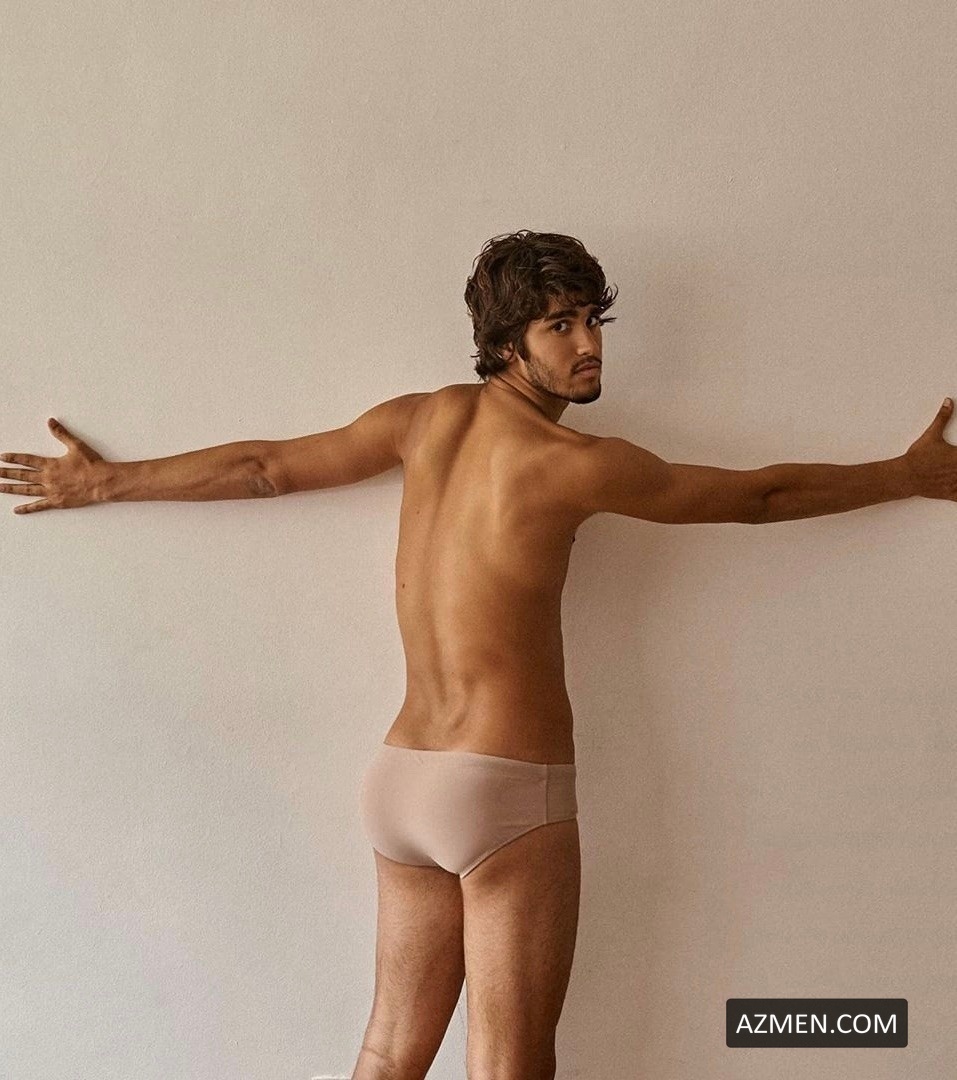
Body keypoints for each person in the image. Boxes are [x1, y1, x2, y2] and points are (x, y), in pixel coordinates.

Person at [2, 228, 955, 1079]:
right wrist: (905, 473)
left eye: (591, 321)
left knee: (387, 1055)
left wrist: (107, 483)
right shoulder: (577, 464)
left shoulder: (420, 421)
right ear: (506, 344)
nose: (587, 345)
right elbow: (757, 498)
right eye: (557, 326)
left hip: (401, 781)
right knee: (509, 1066)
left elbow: (266, 470)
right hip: (506, 787)